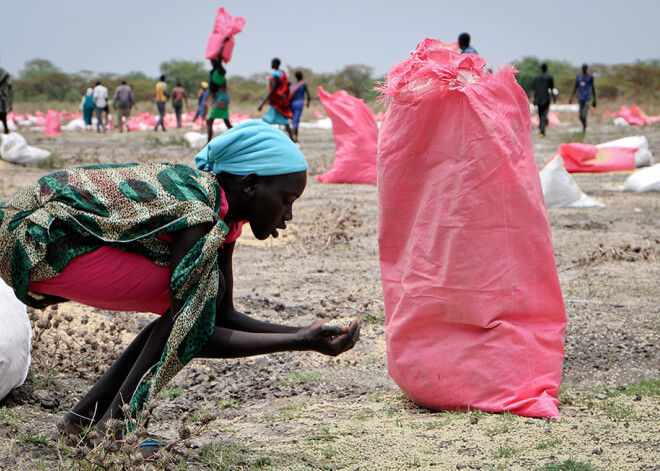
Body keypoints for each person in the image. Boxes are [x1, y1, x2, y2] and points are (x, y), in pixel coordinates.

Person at [0, 120, 361, 456]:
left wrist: (303, 332)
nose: (289, 215)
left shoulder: (223, 216)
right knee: (194, 299)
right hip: (33, 241)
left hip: (46, 241)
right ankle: (113, 430)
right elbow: (195, 330)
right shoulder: (199, 210)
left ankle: (82, 423)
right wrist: (297, 342)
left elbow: (222, 315)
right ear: (251, 185)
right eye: (287, 200)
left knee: (196, 298)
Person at [258, 58, 293, 140]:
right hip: (281, 101)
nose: (271, 65)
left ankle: (263, 139)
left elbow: (273, 90)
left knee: (266, 120)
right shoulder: (282, 73)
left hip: (276, 102)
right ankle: (292, 140)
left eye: (272, 63)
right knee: (284, 122)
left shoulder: (276, 75)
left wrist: (263, 103)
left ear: (275, 64)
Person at [207, 37, 233, 143]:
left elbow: (219, 59)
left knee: (211, 121)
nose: (212, 63)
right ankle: (208, 142)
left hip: (220, 100)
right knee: (226, 122)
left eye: (213, 61)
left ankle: (208, 142)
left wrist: (223, 43)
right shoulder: (214, 72)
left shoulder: (221, 71)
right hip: (219, 99)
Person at [569, 63, 597, 132]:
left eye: (585, 68)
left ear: (586, 69)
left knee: (584, 114)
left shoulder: (590, 77)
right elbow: (575, 87)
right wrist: (571, 97)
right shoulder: (579, 76)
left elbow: (593, 88)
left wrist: (594, 100)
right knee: (580, 116)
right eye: (583, 68)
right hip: (580, 98)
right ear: (582, 69)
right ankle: (584, 124)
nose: (584, 69)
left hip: (587, 98)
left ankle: (584, 127)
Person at [532, 63, 556, 138]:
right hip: (546, 99)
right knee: (544, 115)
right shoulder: (549, 77)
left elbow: (535, 90)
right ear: (546, 68)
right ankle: (542, 130)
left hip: (539, 98)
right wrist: (554, 97)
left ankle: (541, 129)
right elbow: (552, 89)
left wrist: (534, 99)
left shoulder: (537, 78)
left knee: (541, 115)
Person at [289, 71, 311, 143]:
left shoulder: (293, 84)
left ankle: (292, 136)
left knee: (293, 120)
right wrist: (308, 103)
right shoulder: (303, 85)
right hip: (299, 103)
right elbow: (308, 95)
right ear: (302, 76)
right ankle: (294, 137)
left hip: (292, 103)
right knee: (296, 120)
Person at [0, 61, 13, 135]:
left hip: (1, 100)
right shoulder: (4, 73)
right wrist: (10, 103)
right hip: (2, 100)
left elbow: (10, 88)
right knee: (4, 120)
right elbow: (10, 88)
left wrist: (10, 103)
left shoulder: (4, 73)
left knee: (3, 119)